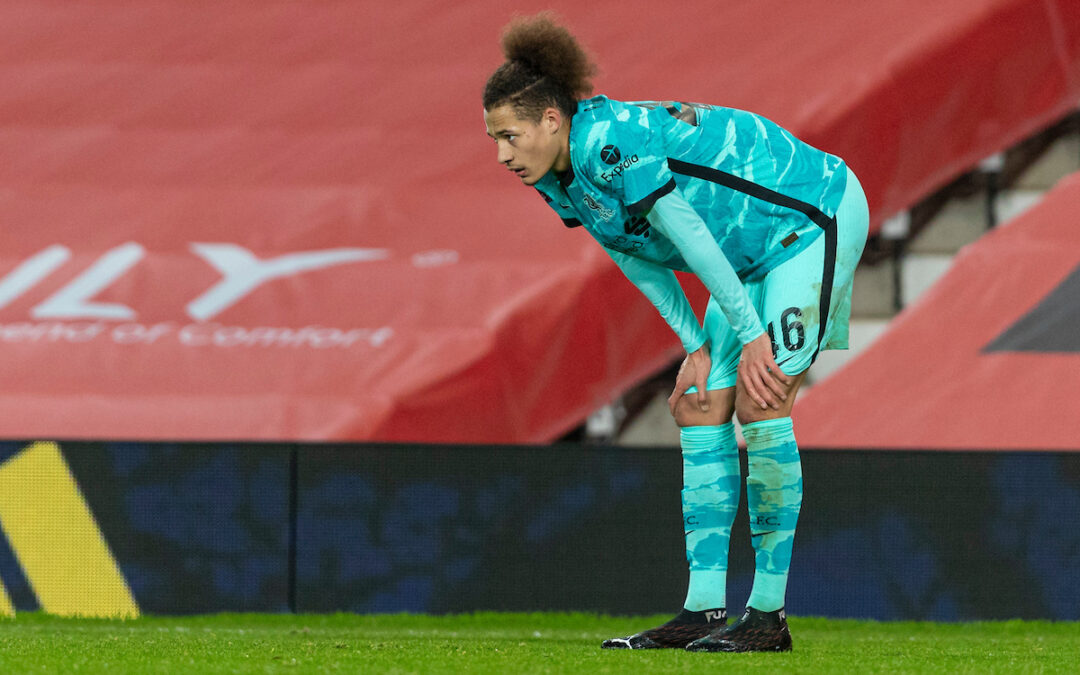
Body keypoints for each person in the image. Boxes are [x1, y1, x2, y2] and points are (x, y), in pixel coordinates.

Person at [482, 13, 868, 653]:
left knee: (762, 398)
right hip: (747, 258)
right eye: (494, 138)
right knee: (699, 406)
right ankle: (703, 612)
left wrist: (747, 333)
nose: (501, 153)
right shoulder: (557, 178)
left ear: (552, 119)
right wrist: (694, 344)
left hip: (812, 218)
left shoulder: (608, 141)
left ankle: (768, 619)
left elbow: (685, 230)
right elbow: (633, 254)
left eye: (509, 135)